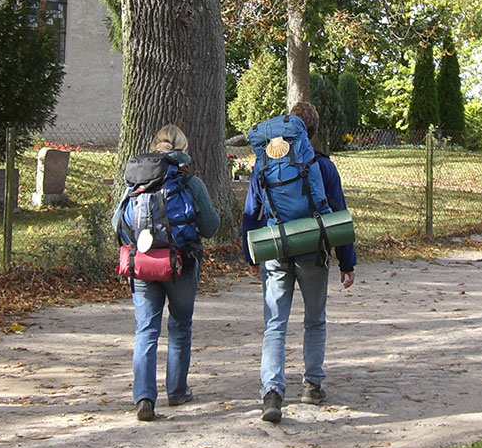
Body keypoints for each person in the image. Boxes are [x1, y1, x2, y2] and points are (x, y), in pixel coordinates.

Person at [242, 102, 356, 423]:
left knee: (275, 323)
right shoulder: (323, 166)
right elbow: (337, 214)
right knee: (314, 319)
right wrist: (347, 261)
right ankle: (312, 385)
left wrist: (251, 254)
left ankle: (272, 393)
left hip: (276, 249)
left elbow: (252, 211)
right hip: (313, 251)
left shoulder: (264, 162)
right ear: (313, 131)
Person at [112, 124, 219, 421]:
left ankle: (144, 398)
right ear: (183, 151)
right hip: (180, 265)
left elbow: (115, 224)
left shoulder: (135, 181)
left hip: (143, 264)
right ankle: (177, 391)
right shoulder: (189, 182)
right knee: (180, 326)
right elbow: (211, 227)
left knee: (146, 330)